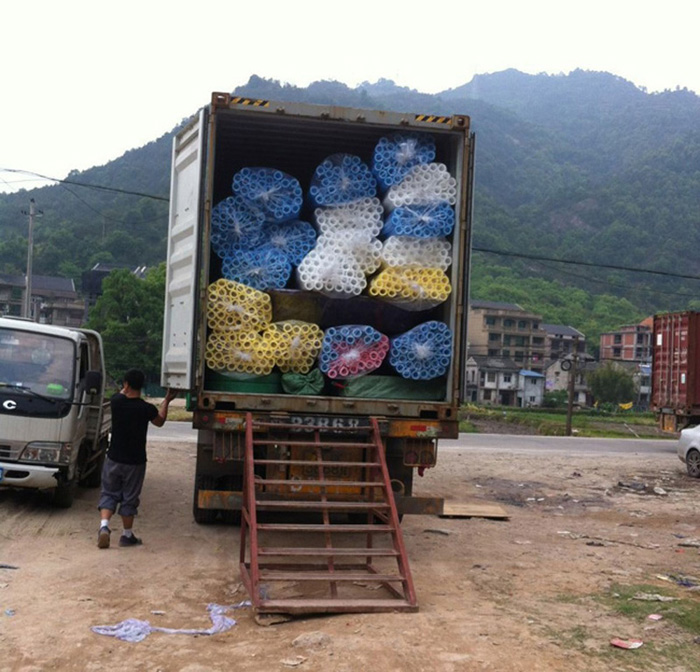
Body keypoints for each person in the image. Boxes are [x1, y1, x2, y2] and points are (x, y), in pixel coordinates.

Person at [97, 370, 177, 549]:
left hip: (114, 457)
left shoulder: (116, 402)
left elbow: (120, 393)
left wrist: (125, 388)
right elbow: (160, 421)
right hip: (135, 461)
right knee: (129, 498)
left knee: (109, 493)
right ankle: (126, 535)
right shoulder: (146, 409)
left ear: (126, 384)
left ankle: (104, 527)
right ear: (142, 386)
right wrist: (167, 400)